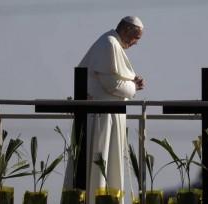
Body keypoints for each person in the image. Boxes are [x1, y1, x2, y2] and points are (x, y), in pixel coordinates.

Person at [78, 16, 144, 204]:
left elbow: (116, 79)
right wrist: (133, 88)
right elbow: (111, 84)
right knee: (100, 163)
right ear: (126, 30)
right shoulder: (108, 43)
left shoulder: (113, 43)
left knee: (111, 166)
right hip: (100, 117)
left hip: (109, 116)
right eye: (136, 37)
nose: (136, 43)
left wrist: (131, 83)